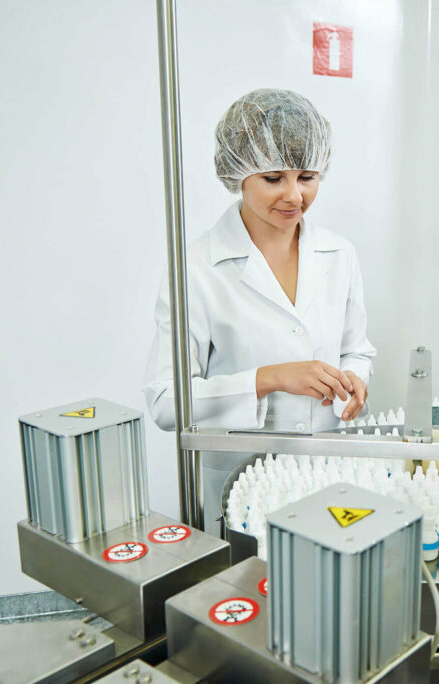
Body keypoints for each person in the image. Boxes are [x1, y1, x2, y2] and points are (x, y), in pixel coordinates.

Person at [144, 89, 376, 526]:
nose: (294, 195)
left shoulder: (339, 254)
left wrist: (355, 379)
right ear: (239, 175)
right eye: (273, 178)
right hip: (239, 486)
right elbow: (164, 399)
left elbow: (356, 350)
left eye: (307, 176)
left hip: (326, 471)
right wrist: (269, 379)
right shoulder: (196, 267)